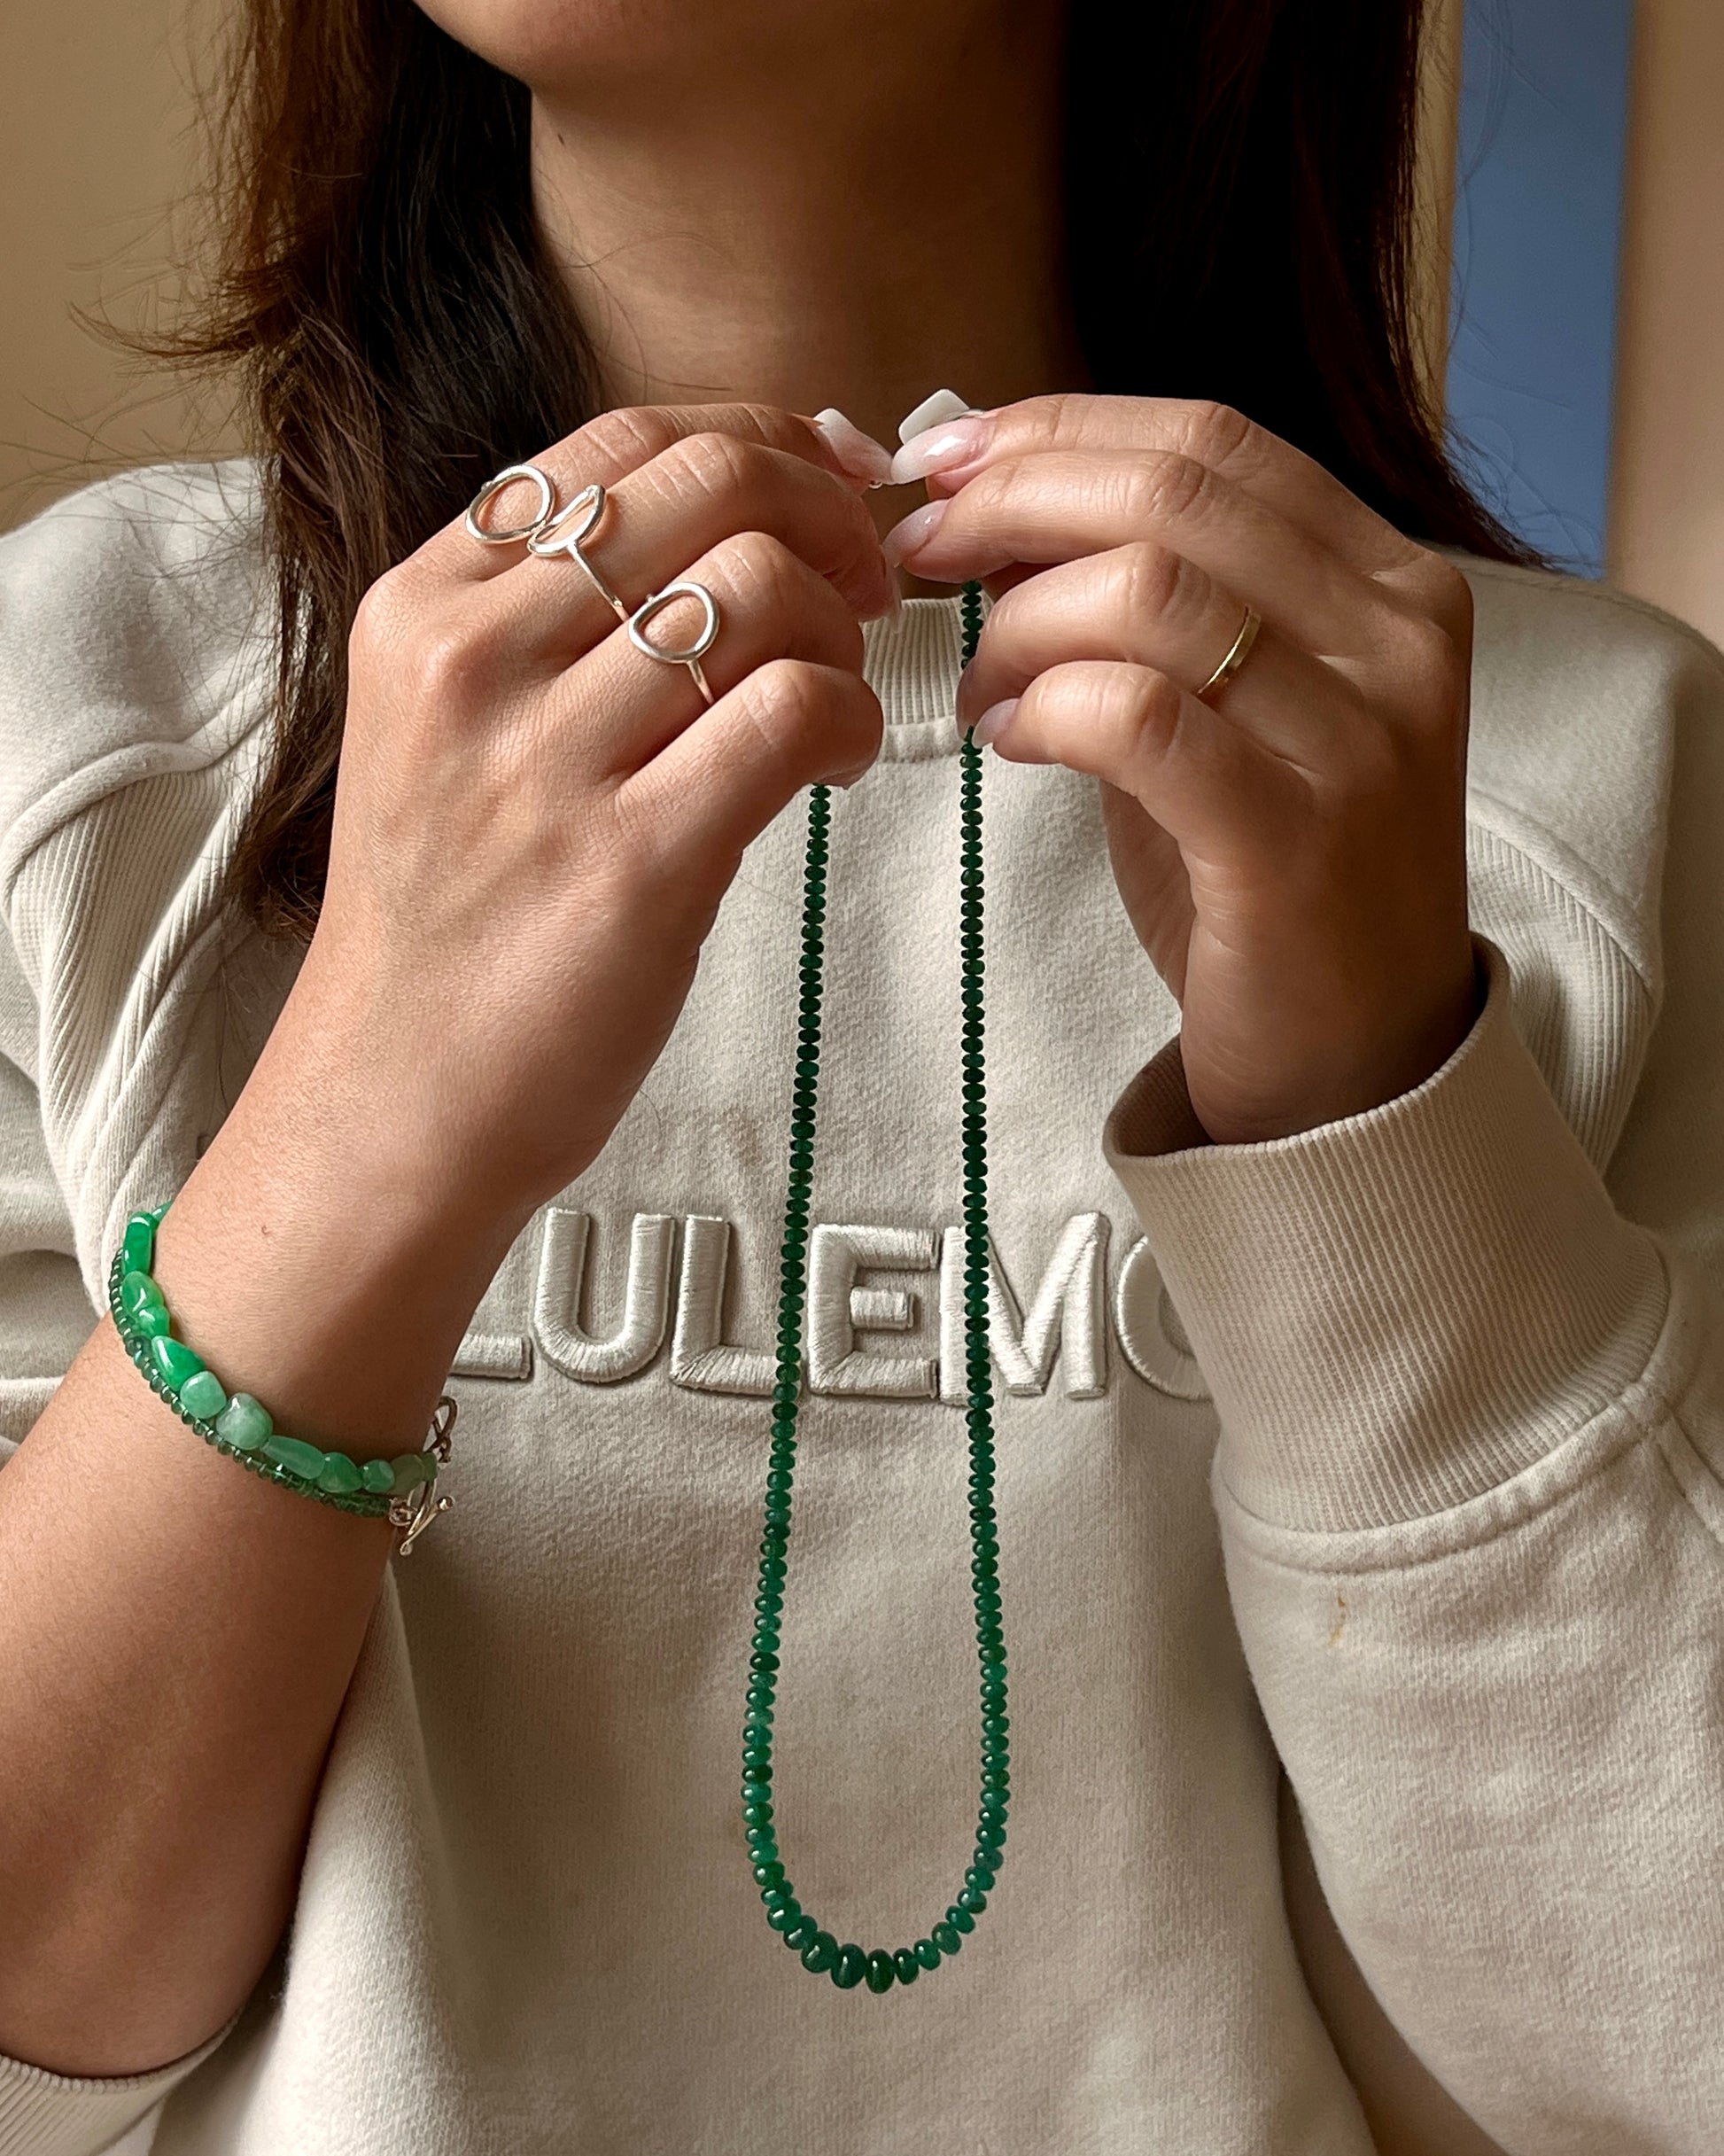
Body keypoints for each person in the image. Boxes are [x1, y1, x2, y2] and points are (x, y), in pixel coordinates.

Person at [1, 0, 1721, 2149]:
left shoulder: (1596, 788)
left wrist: (1378, 1135)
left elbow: (1644, 2046)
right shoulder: (78, 713)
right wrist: (354, 1143)